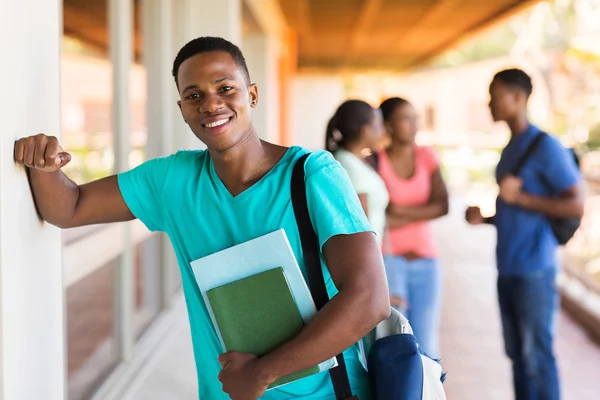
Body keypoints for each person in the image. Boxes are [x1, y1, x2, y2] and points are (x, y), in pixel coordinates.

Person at [13, 37, 390, 400]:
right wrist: (42, 164)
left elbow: (369, 299)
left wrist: (261, 374)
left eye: (225, 88)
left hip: (325, 394)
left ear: (252, 95)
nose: (211, 104)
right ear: (182, 109)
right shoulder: (172, 181)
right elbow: (70, 207)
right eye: (194, 95)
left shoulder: (312, 175)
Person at [465, 68, 584, 400]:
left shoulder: (546, 147)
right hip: (507, 267)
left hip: (535, 270)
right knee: (518, 359)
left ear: (518, 98)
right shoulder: (511, 149)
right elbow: (513, 210)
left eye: (495, 94)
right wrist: (486, 218)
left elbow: (576, 205)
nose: (490, 102)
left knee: (537, 359)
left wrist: (521, 198)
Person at [376, 97, 449, 359]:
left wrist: (398, 213)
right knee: (398, 342)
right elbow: (377, 217)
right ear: (389, 125)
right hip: (389, 263)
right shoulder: (375, 162)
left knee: (428, 346)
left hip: (427, 263)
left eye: (415, 118)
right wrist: (419, 212)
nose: (414, 125)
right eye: (406, 119)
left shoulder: (427, 155)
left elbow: (442, 205)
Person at [325, 100, 389, 247]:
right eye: (379, 126)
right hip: (367, 257)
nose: (382, 132)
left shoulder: (351, 161)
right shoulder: (350, 168)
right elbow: (360, 232)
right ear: (366, 130)